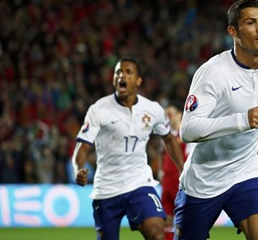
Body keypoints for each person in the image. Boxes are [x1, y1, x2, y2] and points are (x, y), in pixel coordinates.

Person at [175, 0, 258, 240]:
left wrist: (254, 138)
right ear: (233, 31)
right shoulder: (213, 73)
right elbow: (188, 130)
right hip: (204, 180)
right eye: (250, 23)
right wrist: (242, 121)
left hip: (245, 173)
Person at [72, 57, 185, 240]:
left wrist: (183, 170)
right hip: (107, 189)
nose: (121, 75)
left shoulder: (152, 109)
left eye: (128, 72)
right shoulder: (99, 109)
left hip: (139, 184)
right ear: (114, 79)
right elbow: (82, 146)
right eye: (118, 72)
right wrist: (78, 169)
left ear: (138, 81)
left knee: (157, 233)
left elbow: (170, 140)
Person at [160, 101, 189, 240]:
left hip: (179, 181)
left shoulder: (186, 134)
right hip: (166, 181)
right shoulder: (166, 137)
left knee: (183, 219)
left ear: (180, 115)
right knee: (166, 218)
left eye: (171, 114)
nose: (169, 117)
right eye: (166, 115)